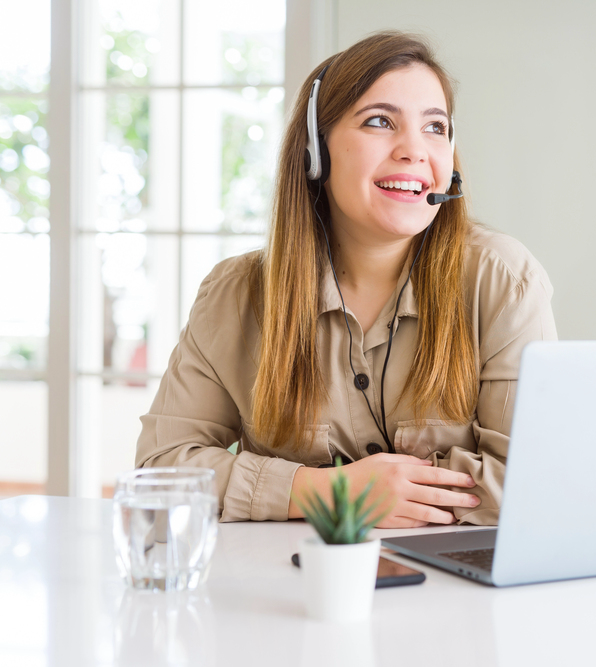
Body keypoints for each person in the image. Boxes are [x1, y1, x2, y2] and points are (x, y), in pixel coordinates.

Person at [135, 32, 557, 527]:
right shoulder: (234, 294)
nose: (414, 150)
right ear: (317, 149)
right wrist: (327, 492)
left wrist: (392, 495)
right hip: (282, 588)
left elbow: (535, 482)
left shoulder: (502, 279)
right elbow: (158, 477)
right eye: (380, 121)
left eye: (435, 127)